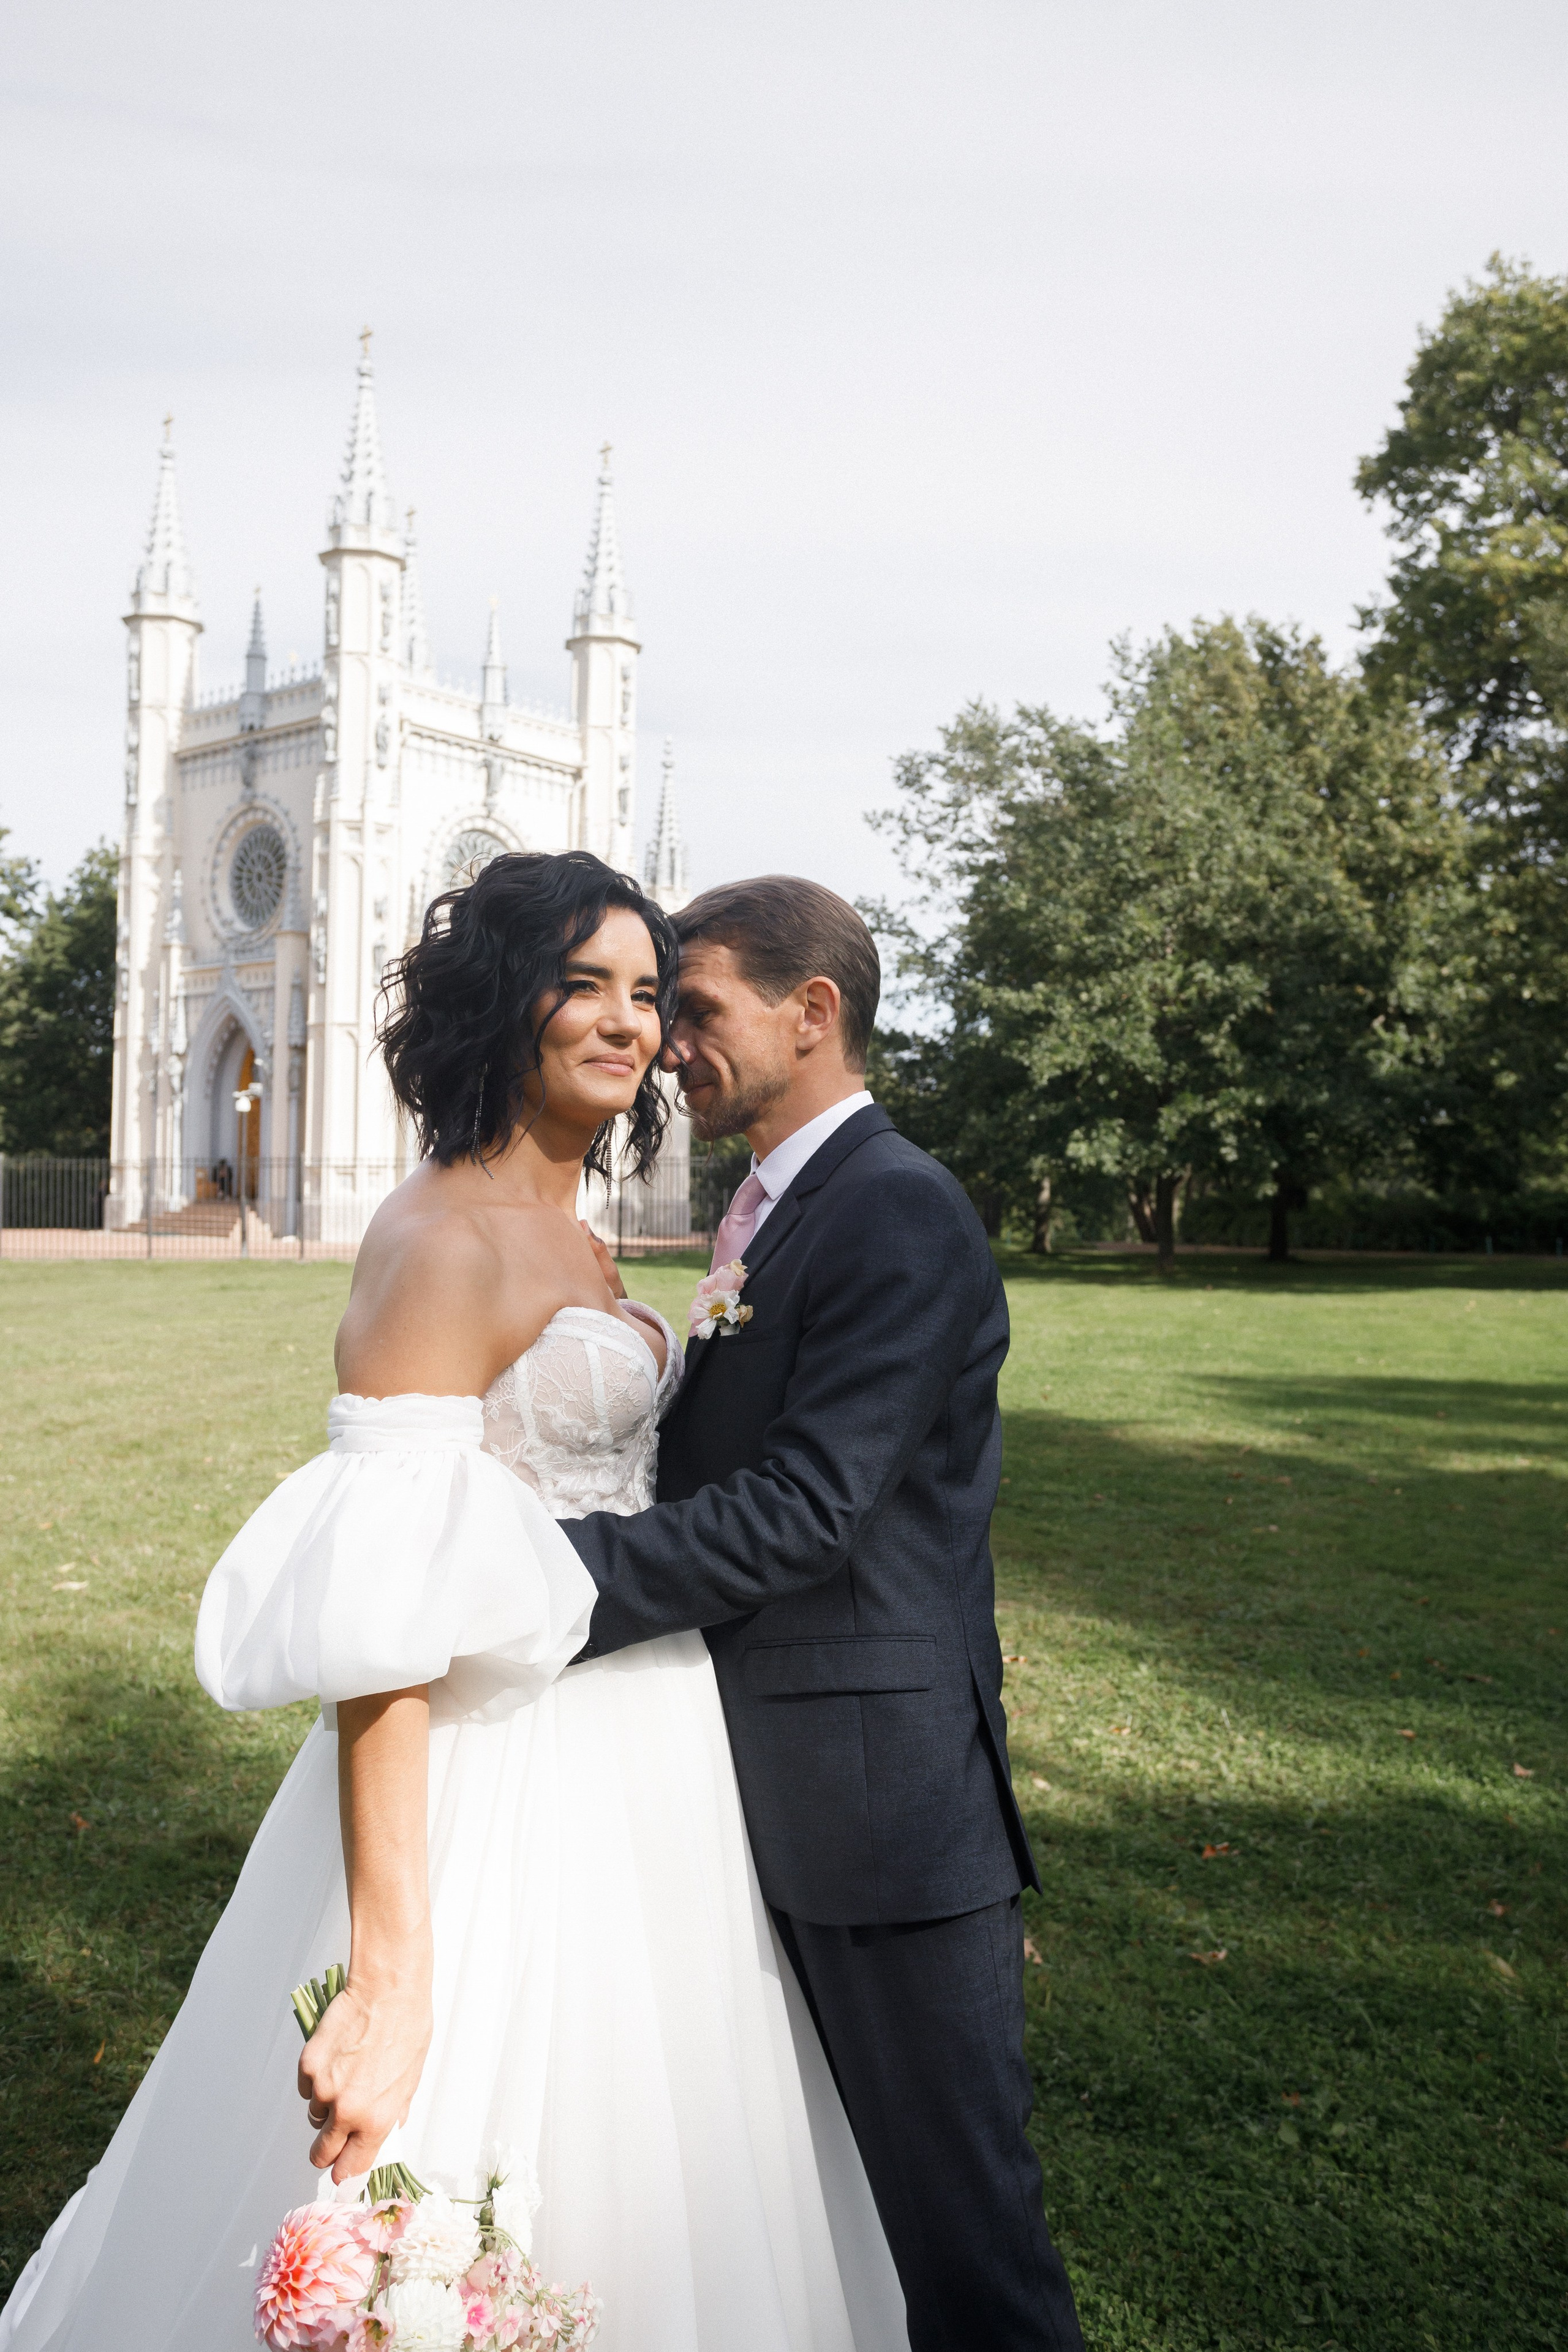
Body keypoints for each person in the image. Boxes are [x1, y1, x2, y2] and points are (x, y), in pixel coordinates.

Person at [0, 853, 904, 2352]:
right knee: (462, 2163)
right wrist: (394, 1976)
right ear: (504, 1003)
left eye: (646, 993)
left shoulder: (577, 1226)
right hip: (499, 1757)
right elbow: (383, 1625)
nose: (630, 1026)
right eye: (586, 986)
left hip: (657, 1750)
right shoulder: (438, 1242)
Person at [562, 876, 1085, 2352]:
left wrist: (549, 1577)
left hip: (881, 1813)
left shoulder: (893, 1211)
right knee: (826, 2211)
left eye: (698, 1008)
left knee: (961, 2235)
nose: (669, 1044)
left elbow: (805, 1509)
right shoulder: (782, 1209)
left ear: (814, 1012)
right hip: (758, 1783)